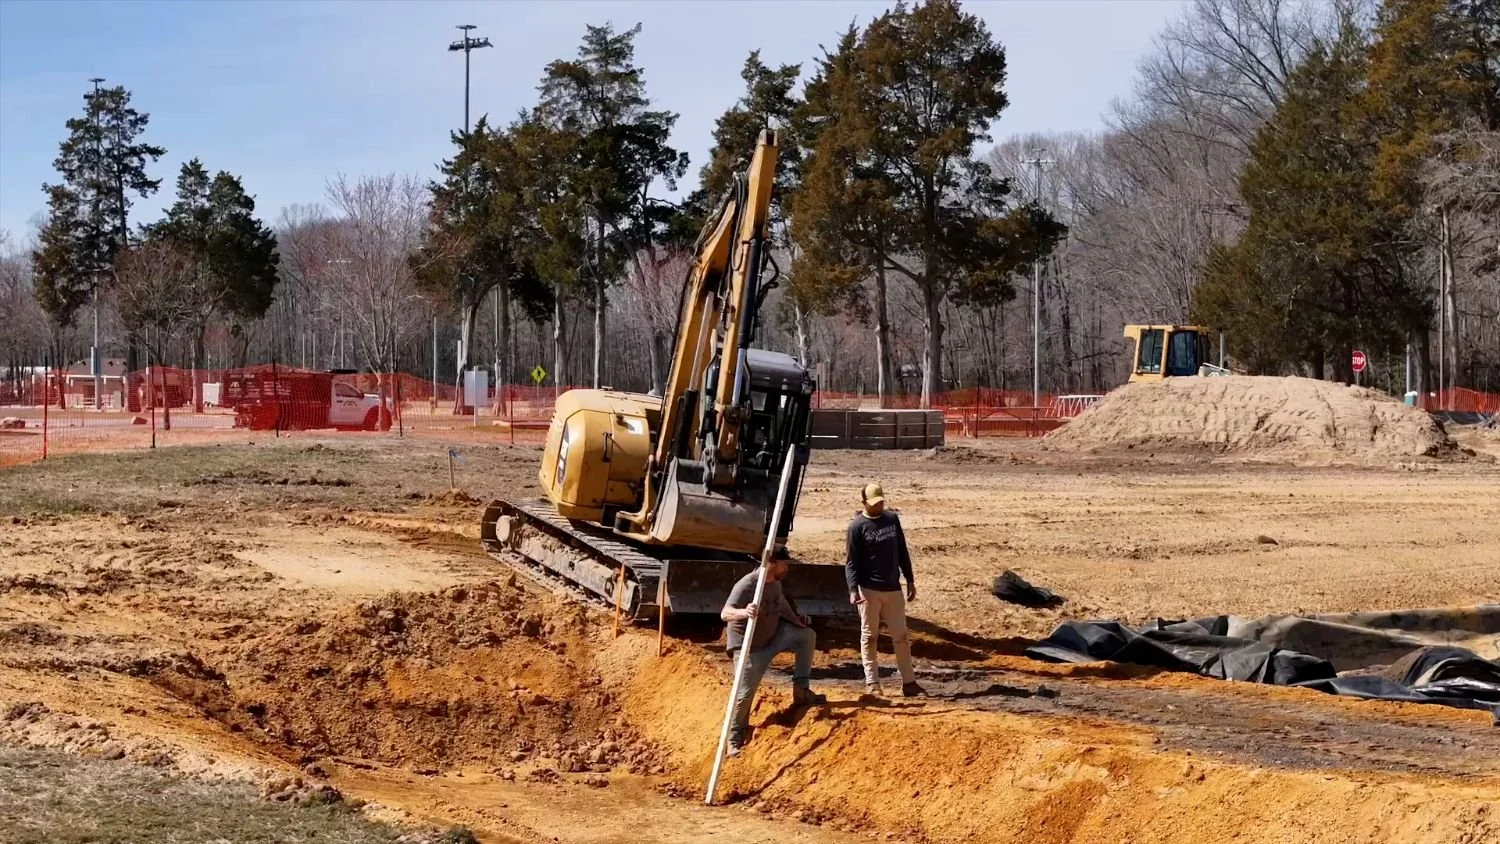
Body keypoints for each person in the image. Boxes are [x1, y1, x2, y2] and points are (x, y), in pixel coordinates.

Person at [720, 555, 827, 756]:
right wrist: (745, 612)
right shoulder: (747, 584)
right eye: (784, 563)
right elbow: (725, 613)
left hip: (772, 638)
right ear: (771, 563)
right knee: (743, 695)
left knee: (806, 635)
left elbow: (782, 605)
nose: (787, 567)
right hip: (749, 649)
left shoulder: (775, 583)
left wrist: (796, 620)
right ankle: (734, 737)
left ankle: (801, 692)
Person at [846, 482, 925, 697]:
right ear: (864, 503)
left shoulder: (891, 519)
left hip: (893, 588)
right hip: (868, 590)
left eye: (881, 502)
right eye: (874, 503)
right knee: (869, 636)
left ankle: (909, 682)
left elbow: (901, 550)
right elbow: (851, 562)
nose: (878, 506)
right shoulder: (857, 527)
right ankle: (872, 683)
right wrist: (853, 589)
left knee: (900, 636)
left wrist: (909, 579)